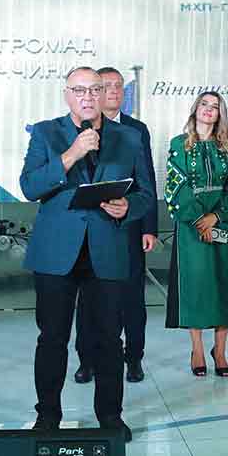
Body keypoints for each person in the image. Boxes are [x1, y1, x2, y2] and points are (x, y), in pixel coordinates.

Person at [20, 67, 155, 442]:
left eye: (95, 89)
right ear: (67, 95)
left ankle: (110, 417)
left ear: (105, 94)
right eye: (79, 90)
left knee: (110, 339)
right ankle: (47, 416)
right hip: (56, 253)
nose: (88, 97)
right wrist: (71, 155)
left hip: (107, 248)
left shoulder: (129, 137)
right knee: (52, 338)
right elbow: (30, 186)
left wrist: (128, 207)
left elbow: (146, 192)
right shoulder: (46, 132)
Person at [73, 66, 158, 385]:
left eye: (119, 86)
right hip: (89, 230)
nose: (114, 91)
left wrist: (148, 226)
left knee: (131, 297)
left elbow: (146, 180)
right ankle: (87, 360)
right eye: (106, 85)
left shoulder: (137, 130)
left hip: (129, 227)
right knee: (88, 299)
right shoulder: (77, 128)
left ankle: (133, 358)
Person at [164, 92, 228, 375]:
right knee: (196, 287)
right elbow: (175, 187)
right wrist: (199, 220)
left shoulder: (227, 147)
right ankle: (198, 350)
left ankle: (221, 352)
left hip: (223, 225)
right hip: (191, 228)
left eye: (215, 107)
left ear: (219, 115)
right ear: (195, 109)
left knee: (224, 285)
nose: (208, 110)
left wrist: (217, 217)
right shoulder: (179, 145)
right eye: (204, 104)